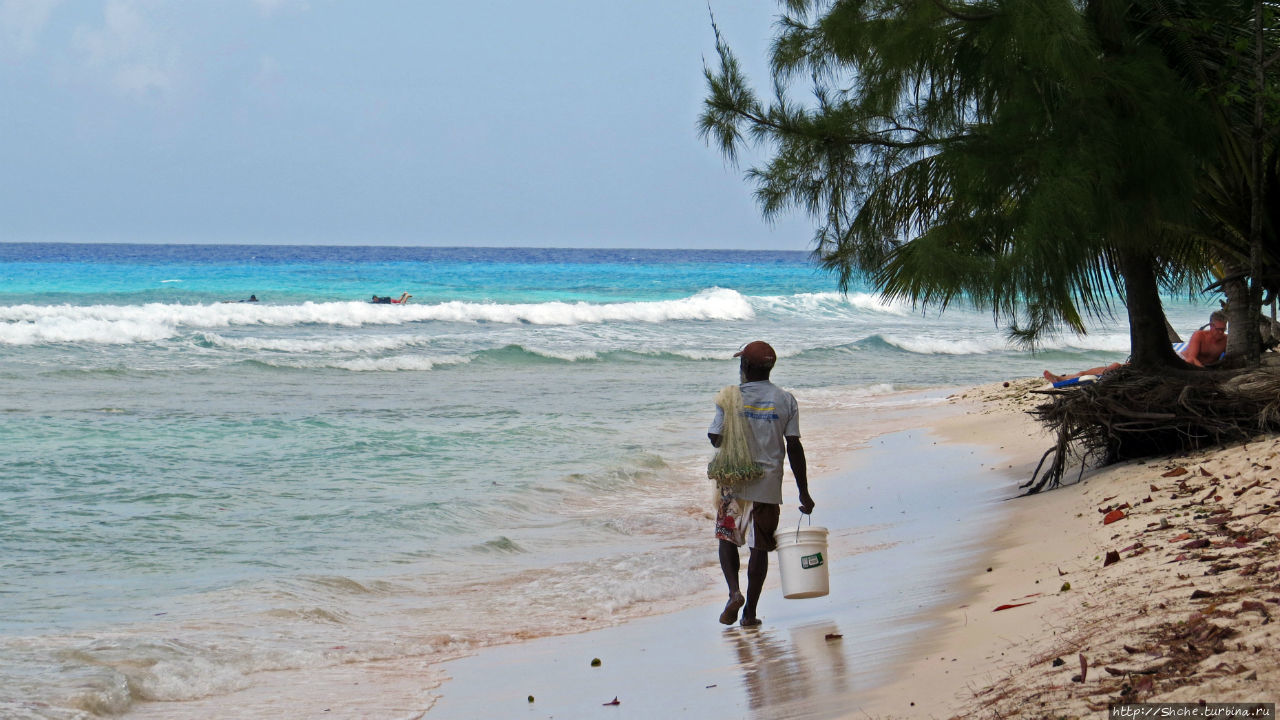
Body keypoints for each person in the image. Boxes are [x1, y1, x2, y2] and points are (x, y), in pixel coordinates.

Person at [708, 340, 814, 628]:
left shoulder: (730, 398)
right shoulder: (786, 400)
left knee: (727, 539)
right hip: (768, 486)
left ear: (745, 366)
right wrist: (804, 491)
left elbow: (715, 438)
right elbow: (794, 446)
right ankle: (750, 614)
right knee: (760, 548)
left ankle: (733, 592)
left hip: (734, 483)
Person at [1042, 363, 1123, 384]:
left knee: (1081, 375)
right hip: (1105, 372)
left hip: (1104, 373)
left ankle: (1058, 378)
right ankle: (1058, 378)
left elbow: (1116, 365)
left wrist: (1102, 372)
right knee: (1081, 373)